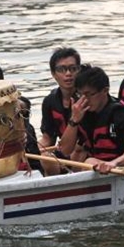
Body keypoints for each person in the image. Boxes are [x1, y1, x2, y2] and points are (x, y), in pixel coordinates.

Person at [59, 66, 124, 173]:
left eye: (90, 94)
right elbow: (65, 150)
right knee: (79, 155)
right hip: (97, 165)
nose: (84, 100)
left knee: (89, 161)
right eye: (80, 94)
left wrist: (113, 163)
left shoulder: (122, 114)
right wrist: (73, 120)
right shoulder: (81, 112)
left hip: (120, 165)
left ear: (105, 90)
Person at [38, 47, 82, 175]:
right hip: (64, 150)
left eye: (73, 69)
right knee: (45, 157)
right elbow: (48, 138)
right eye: (62, 69)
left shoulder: (87, 99)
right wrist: (34, 149)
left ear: (79, 71)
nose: (68, 74)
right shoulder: (50, 101)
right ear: (53, 74)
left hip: (83, 151)